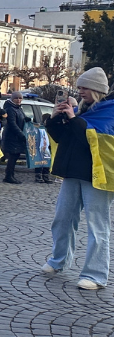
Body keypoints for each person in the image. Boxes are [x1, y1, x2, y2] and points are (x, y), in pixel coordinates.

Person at [44, 67, 112, 290]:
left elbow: (92, 141)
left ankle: (96, 274)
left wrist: (74, 119)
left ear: (97, 89)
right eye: (80, 86)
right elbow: (66, 138)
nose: (80, 91)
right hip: (73, 172)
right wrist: (55, 120)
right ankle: (58, 261)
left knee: (97, 225)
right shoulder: (82, 111)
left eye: (85, 87)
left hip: (98, 176)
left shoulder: (108, 111)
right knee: (63, 218)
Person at [2, 91, 27, 184]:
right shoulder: (11, 109)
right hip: (12, 137)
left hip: (17, 136)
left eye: (20, 98)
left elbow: (21, 119)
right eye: (16, 98)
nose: (18, 100)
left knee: (15, 156)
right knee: (12, 156)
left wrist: (26, 119)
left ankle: (11, 175)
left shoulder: (18, 108)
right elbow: (12, 124)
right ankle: (8, 176)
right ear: (12, 99)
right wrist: (20, 134)